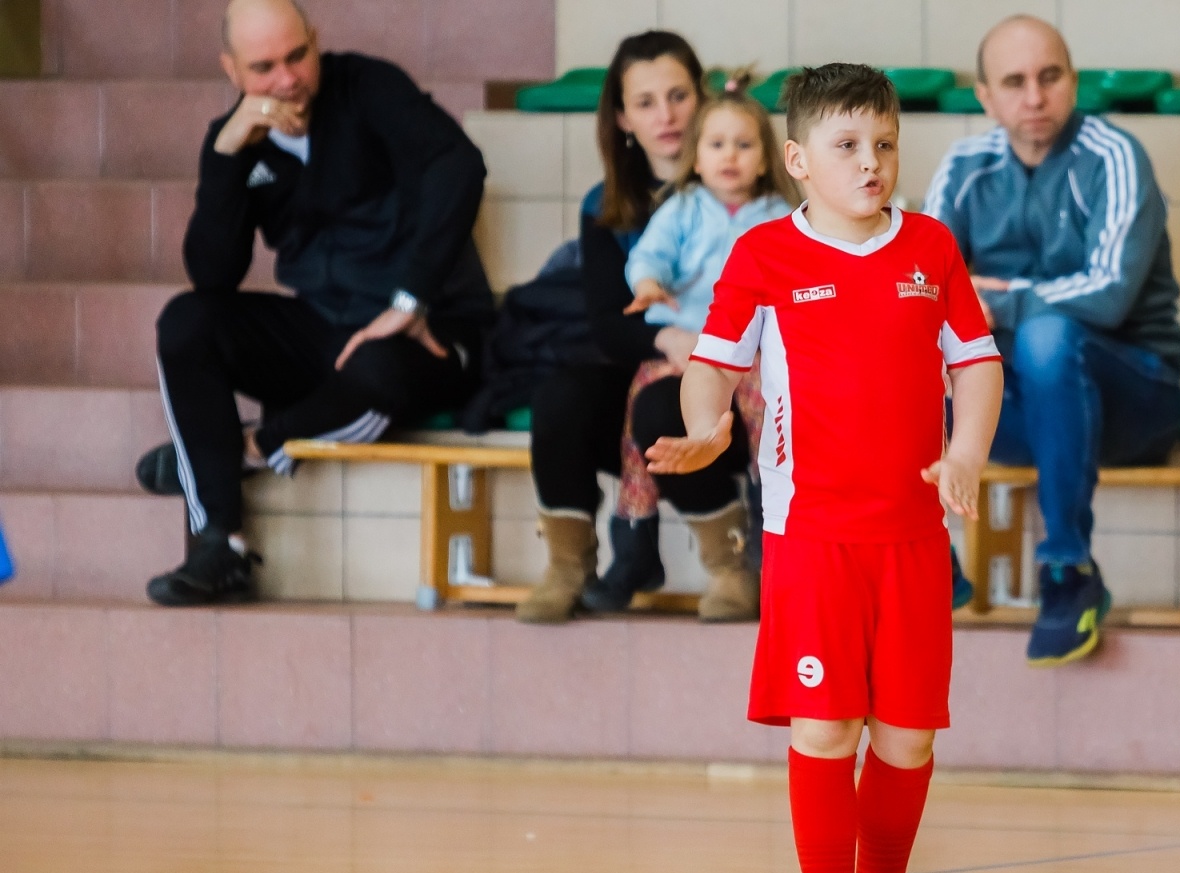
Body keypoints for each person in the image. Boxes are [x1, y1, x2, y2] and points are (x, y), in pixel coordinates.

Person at [646, 64, 1003, 873]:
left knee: (908, 736)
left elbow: (976, 363)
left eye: (884, 142)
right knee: (827, 726)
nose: (871, 161)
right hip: (811, 539)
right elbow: (713, 363)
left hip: (916, 537)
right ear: (798, 159)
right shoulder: (767, 255)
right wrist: (706, 423)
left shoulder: (930, 248)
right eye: (847, 146)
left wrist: (964, 453)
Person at [136, 0, 493, 606]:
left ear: (316, 41)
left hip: (427, 334)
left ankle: (244, 449)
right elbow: (213, 276)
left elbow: (459, 165)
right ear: (232, 70)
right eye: (264, 66)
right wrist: (227, 158)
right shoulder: (235, 141)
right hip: (325, 330)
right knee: (186, 323)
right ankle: (217, 544)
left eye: (298, 56)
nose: (287, 79)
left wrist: (412, 298)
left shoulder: (368, 86)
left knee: (377, 365)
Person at [923, 15, 1180, 665]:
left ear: (1073, 81)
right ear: (985, 96)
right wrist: (960, 309)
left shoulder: (1115, 155)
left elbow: (1111, 292)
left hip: (1136, 397)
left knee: (1045, 337)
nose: (1034, 97)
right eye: (1014, 82)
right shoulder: (963, 166)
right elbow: (920, 289)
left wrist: (997, 302)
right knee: (887, 366)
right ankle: (929, 558)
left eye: (1049, 77)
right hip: (1014, 405)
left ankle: (1068, 569)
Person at [517, 31, 761, 625]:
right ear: (623, 117)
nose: (667, 115)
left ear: (702, 97)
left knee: (660, 408)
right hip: (656, 372)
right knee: (561, 397)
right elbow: (608, 326)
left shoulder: (757, 191)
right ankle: (569, 565)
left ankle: (734, 566)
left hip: (747, 388)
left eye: (678, 95)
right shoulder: (609, 203)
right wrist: (671, 341)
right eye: (647, 102)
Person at [579, 76, 799, 614]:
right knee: (642, 422)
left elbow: (799, 277)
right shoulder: (680, 209)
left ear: (767, 160)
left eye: (744, 145)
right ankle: (633, 543)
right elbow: (648, 257)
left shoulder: (779, 216)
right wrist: (649, 284)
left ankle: (770, 534)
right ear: (696, 159)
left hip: (754, 355)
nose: (730, 156)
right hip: (686, 350)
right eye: (716, 144)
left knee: (770, 425)